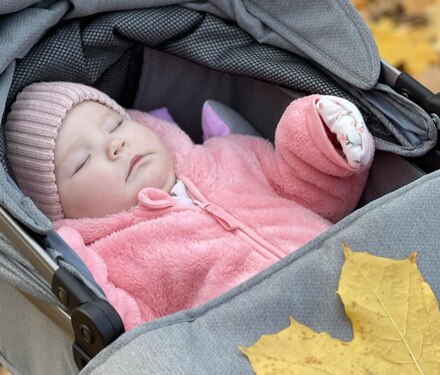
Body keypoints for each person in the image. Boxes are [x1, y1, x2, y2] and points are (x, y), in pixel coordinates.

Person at [5, 82, 374, 330]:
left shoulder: (226, 156)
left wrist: (320, 139)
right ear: (63, 211)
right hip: (277, 344)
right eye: (82, 161)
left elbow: (314, 197)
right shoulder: (117, 260)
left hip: (368, 285)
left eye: (116, 124)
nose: (114, 145)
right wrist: (77, 265)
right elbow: (141, 337)